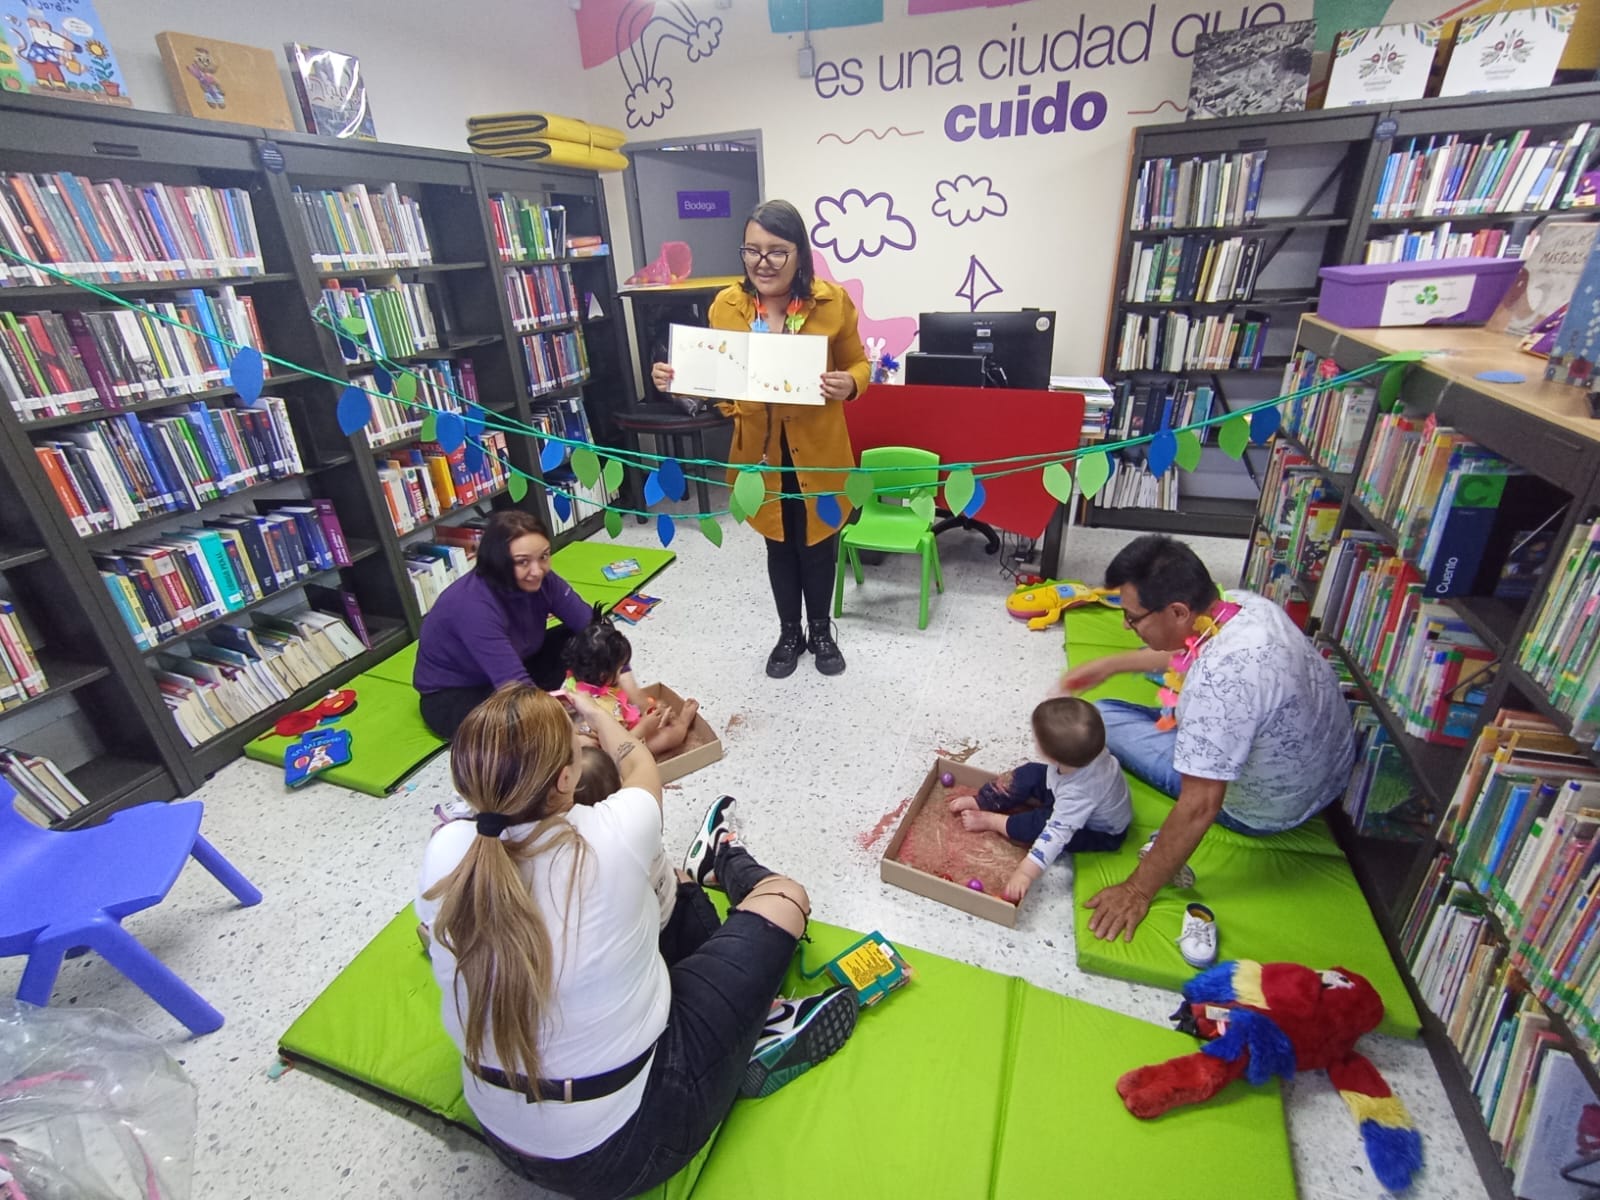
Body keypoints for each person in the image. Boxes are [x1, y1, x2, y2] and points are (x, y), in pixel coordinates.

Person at [416, 684, 857, 1200]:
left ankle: (723, 939)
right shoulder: (614, 833)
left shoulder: (445, 852)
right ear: (566, 778)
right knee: (786, 897)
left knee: (658, 890)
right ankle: (731, 886)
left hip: (503, 1137)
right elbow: (638, 760)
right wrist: (590, 711)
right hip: (628, 1146)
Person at [1061, 535, 1356, 944]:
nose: (1128, 627)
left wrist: (1136, 890)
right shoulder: (1245, 605)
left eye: (1134, 618)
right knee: (1143, 695)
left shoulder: (1219, 685)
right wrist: (1113, 664)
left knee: (1101, 718)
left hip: (1269, 810)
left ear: (1179, 610)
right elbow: (1189, 649)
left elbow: (1201, 804)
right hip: (1330, 770)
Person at [651, 200, 871, 679]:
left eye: (776, 251)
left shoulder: (831, 302)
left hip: (819, 446)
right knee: (778, 541)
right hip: (760, 451)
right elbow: (717, 375)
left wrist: (849, 383)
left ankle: (821, 631)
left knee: (819, 542)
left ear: (799, 253)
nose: (762, 262)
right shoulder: (726, 305)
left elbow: (860, 364)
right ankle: (788, 632)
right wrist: (678, 378)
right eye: (752, 250)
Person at [412, 510, 600, 740]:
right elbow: (516, 687)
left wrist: (628, 688)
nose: (537, 570)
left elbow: (594, 627)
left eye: (544, 556)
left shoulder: (544, 579)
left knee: (585, 638)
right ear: (499, 562)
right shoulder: (472, 605)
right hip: (456, 694)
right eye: (523, 562)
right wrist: (575, 734)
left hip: (511, 663)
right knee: (519, 729)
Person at [947, 697, 1132, 903]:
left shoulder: (1079, 793)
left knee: (1037, 824)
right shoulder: (1088, 749)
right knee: (1030, 773)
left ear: (1052, 758)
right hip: (1069, 790)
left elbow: (1054, 836)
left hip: (1098, 832)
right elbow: (1074, 724)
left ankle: (991, 820)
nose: (1033, 741)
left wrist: (1025, 873)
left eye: (1036, 740)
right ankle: (983, 800)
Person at [562, 621, 700, 758]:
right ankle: (683, 724)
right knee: (670, 735)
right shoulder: (605, 708)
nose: (621, 673)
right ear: (604, 675)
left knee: (649, 714)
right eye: (619, 670)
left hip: (598, 734)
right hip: (610, 751)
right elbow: (618, 744)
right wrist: (644, 727)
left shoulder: (575, 681)